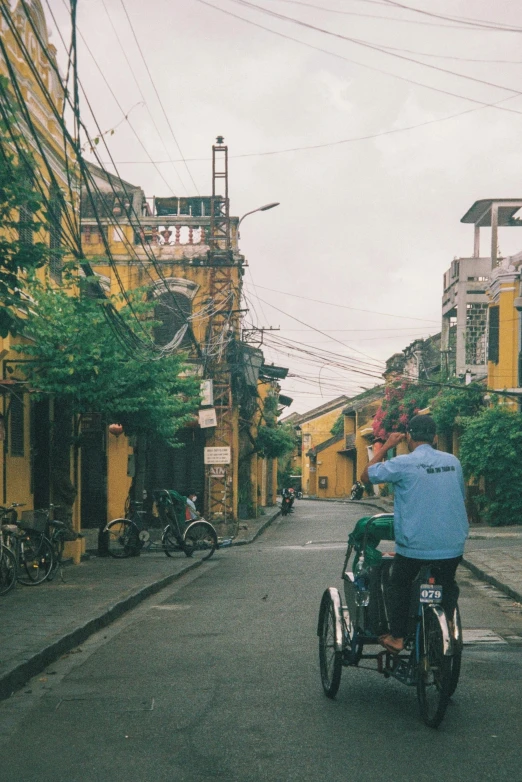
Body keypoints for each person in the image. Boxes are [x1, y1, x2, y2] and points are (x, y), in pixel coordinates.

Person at [360, 414, 469, 654]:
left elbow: (366, 477)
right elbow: (460, 499)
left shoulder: (402, 463)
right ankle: (448, 622)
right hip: (452, 546)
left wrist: (387, 446)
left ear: (409, 438)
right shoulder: (454, 462)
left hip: (414, 547)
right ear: (436, 438)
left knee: (397, 582)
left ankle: (398, 637)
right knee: (447, 582)